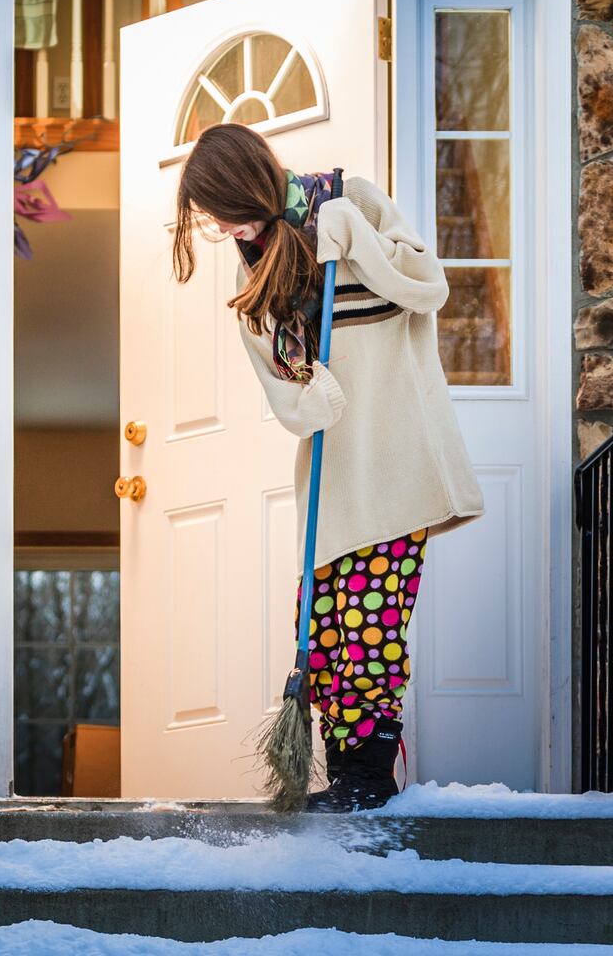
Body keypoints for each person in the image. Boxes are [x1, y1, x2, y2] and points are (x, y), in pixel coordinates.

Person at [170, 123, 484, 812]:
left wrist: (357, 239)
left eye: (221, 210)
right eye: (210, 220)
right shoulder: (254, 273)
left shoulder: (351, 199)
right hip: (334, 474)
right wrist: (312, 393)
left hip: (397, 462)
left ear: (245, 182)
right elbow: (289, 397)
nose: (221, 228)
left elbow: (428, 288)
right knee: (323, 636)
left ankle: (367, 782)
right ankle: (345, 779)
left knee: (370, 629)